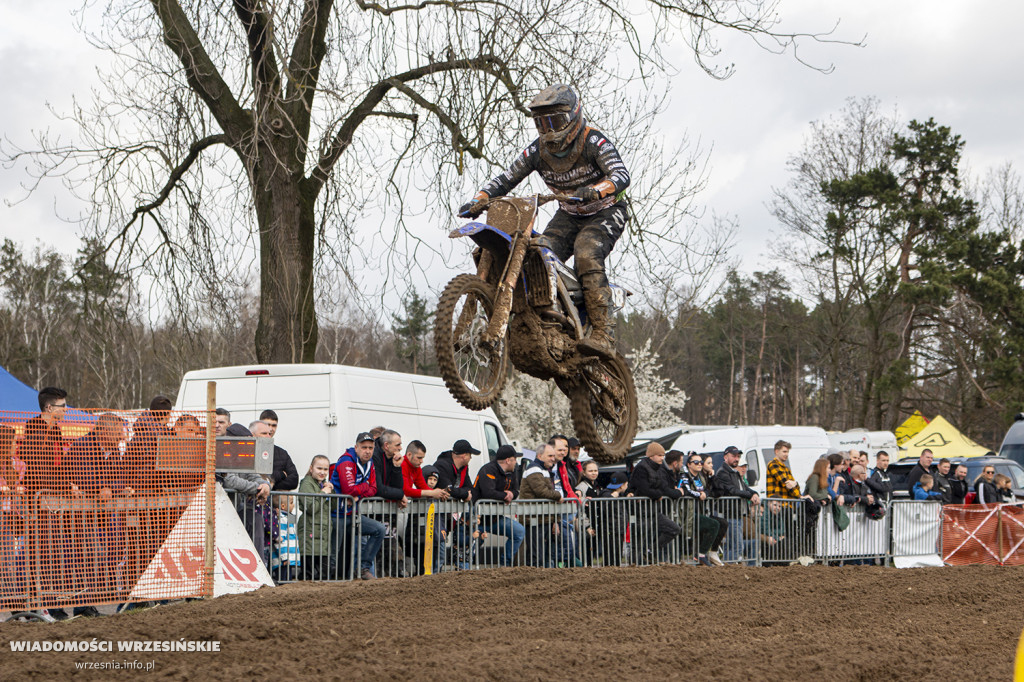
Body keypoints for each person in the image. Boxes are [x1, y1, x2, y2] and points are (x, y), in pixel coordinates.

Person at [458, 84, 631, 355]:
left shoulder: (593, 141)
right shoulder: (537, 151)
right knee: (537, 253)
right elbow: (507, 177)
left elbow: (621, 175)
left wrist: (597, 190)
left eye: (556, 121)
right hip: (568, 214)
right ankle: (549, 319)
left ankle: (602, 333)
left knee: (585, 252)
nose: (550, 130)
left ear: (574, 116)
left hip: (606, 211)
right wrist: (481, 198)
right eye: (542, 123)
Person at [330, 432, 387, 580]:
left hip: (353, 514)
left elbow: (374, 489)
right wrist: (364, 486)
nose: (367, 451)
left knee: (379, 529)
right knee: (334, 551)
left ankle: (363, 567)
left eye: (370, 447)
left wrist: (358, 494)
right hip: (337, 514)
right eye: (364, 447)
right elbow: (349, 490)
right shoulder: (346, 461)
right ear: (356, 447)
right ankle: (328, 578)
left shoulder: (370, 463)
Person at [627, 443, 682, 561]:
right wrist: (657, 494)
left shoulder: (659, 468)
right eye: (659, 455)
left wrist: (657, 493)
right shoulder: (642, 468)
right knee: (638, 542)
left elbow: (662, 487)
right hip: (641, 512)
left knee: (674, 529)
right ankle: (634, 566)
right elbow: (644, 488)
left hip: (653, 511)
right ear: (651, 456)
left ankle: (652, 549)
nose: (662, 458)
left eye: (663, 455)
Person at [473, 445, 525, 566]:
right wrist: (504, 496)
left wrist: (511, 494)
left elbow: (516, 490)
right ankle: (464, 565)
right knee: (471, 544)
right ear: (508, 460)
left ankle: (504, 565)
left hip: (495, 518)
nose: (516, 462)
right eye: (514, 459)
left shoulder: (512, 472)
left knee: (519, 531)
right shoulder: (488, 470)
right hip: (478, 519)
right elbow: (488, 492)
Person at [710, 446, 760, 563]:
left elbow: (744, 487)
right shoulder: (723, 472)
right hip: (730, 512)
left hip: (737, 512)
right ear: (725, 457)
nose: (736, 459)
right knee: (736, 546)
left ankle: (727, 570)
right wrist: (749, 495)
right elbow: (732, 490)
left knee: (733, 546)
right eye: (734, 456)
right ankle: (728, 572)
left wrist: (755, 493)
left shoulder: (734, 472)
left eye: (738, 456)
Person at [678, 452, 728, 566]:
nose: (699, 464)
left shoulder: (700, 477)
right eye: (696, 462)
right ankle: (699, 555)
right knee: (713, 524)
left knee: (718, 524)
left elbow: (708, 490)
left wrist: (706, 489)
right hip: (687, 514)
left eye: (701, 462)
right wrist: (699, 495)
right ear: (689, 464)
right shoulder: (684, 475)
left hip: (700, 511)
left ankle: (705, 554)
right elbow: (686, 490)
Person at [519, 444, 562, 567]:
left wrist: (555, 521)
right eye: (550, 456)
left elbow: (547, 493)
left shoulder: (544, 470)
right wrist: (558, 495)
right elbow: (542, 491)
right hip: (534, 518)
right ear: (539, 456)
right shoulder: (534, 469)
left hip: (543, 518)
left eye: (553, 456)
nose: (553, 459)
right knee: (536, 554)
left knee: (544, 554)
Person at [297, 455, 334, 580]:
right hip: (310, 530)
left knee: (322, 574)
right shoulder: (306, 483)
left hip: (322, 531)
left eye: (325, 469)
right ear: (311, 468)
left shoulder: (322, 484)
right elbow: (312, 508)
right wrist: (324, 493)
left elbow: (333, 506)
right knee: (309, 573)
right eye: (319, 468)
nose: (322, 472)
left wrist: (331, 491)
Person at [258, 409, 298, 491]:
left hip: (275, 502)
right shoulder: (251, 448)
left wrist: (269, 485)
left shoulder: (282, 453)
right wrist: (281, 475)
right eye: (268, 425)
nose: (271, 429)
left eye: (274, 425)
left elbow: (294, 481)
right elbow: (256, 478)